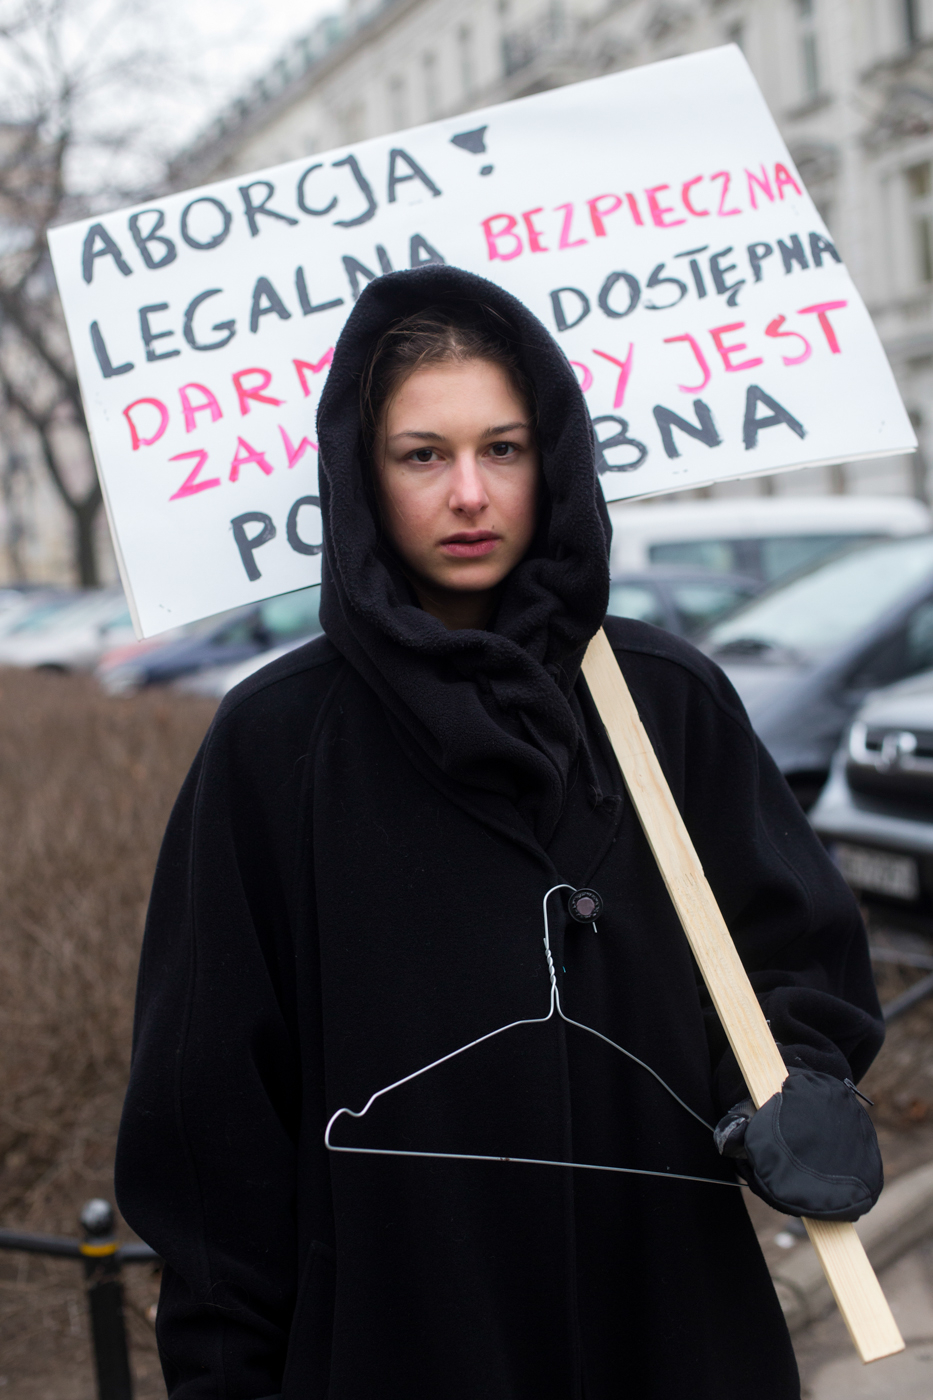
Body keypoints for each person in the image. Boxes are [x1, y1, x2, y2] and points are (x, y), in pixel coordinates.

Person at [116, 265, 884, 1400]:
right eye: (424, 454)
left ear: (555, 458)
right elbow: (210, 1115)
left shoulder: (664, 699)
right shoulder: (277, 741)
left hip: (670, 1320)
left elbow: (796, 954)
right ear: (364, 474)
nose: (469, 491)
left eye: (505, 448)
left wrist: (801, 1078)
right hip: (400, 1332)